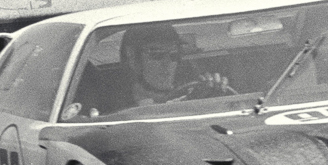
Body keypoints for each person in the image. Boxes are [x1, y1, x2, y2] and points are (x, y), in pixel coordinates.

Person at [71, 23, 235, 116]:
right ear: (132, 58)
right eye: (157, 55)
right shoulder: (108, 109)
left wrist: (214, 100)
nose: (168, 64)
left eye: (174, 55)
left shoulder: (194, 95)